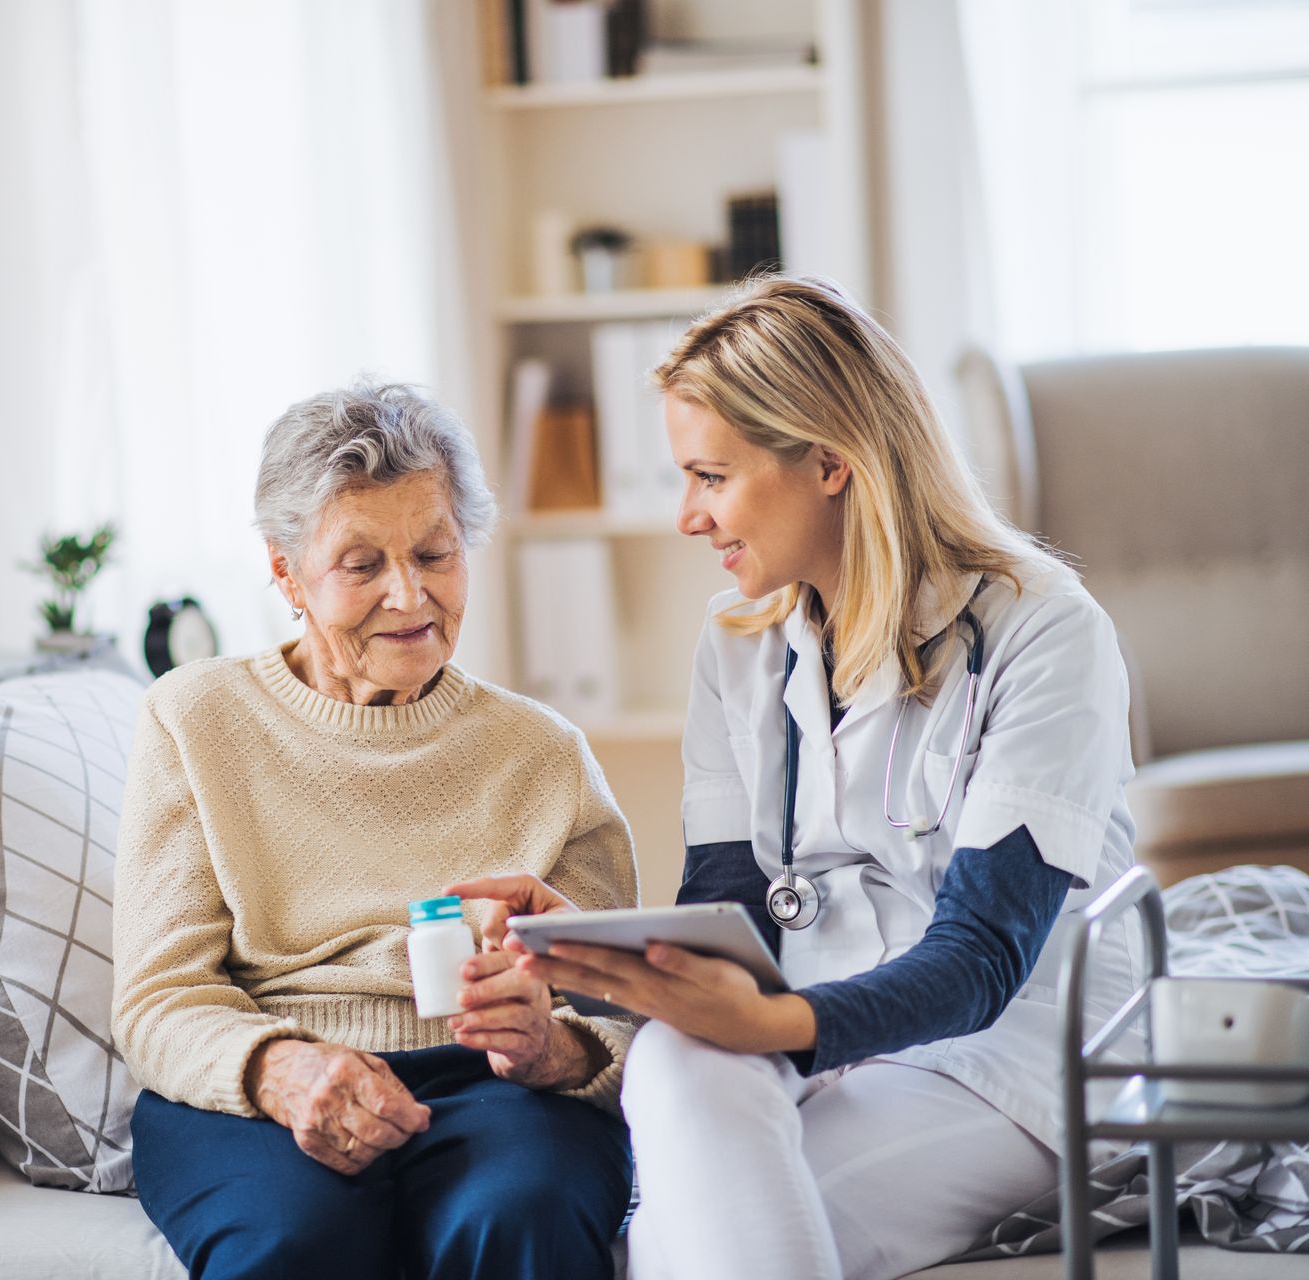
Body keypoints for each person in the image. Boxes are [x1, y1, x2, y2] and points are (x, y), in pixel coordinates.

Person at [462, 276, 1140, 1279]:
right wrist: (604, 955)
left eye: (710, 475)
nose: (689, 516)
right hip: (817, 1042)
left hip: (1007, 1056)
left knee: (679, 1241)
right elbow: (730, 915)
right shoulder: (736, 642)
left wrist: (774, 1024)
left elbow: (983, 958)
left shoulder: (1042, 629)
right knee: (678, 1056)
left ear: (828, 460)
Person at [110, 381, 638, 1280]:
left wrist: (554, 1046)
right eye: (362, 565)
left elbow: (621, 1013)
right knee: (292, 1242)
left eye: (436, 552)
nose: (411, 594)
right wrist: (281, 1070)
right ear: (285, 571)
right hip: (265, 1074)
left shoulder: (543, 753)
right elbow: (160, 998)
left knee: (521, 1220)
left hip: (491, 1082)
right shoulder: (193, 720)